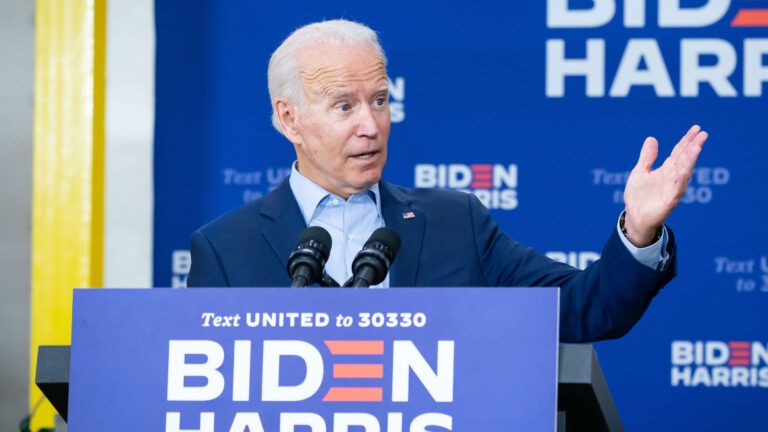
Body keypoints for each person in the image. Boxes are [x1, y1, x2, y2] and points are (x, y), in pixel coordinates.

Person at [187, 20, 707, 342]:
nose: (371, 124)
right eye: (344, 106)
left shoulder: (454, 222)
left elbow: (584, 308)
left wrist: (638, 232)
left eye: (380, 100)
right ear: (289, 119)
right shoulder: (225, 249)